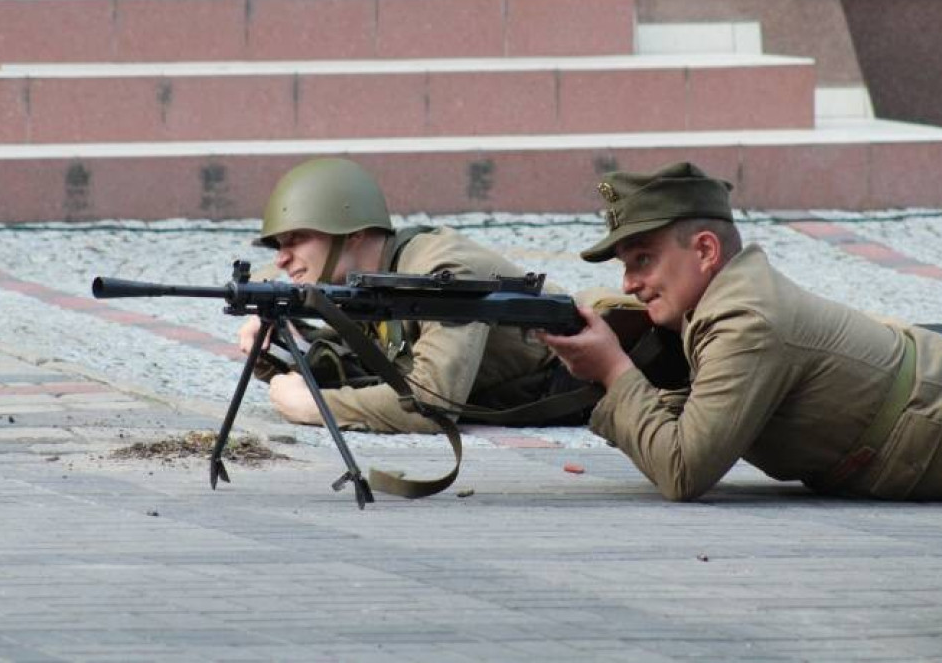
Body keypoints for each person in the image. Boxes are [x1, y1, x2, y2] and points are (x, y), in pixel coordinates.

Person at [539, 161, 942, 502]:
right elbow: (682, 424)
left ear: (706, 251)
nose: (628, 284)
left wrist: (613, 369)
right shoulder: (723, 305)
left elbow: (682, 469)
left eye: (644, 259)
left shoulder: (746, 320)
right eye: (626, 266)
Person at [238, 157, 589, 434]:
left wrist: (316, 407)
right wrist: (268, 323)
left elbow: (431, 406)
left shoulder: (441, 274)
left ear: (353, 236)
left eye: (297, 239)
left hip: (573, 382)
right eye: (279, 245)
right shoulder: (369, 271)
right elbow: (367, 359)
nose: (281, 259)